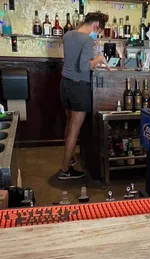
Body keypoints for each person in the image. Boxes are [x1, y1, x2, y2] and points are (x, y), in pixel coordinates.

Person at [58, 12, 110, 180]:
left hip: (65, 84)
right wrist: (99, 58)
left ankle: (70, 157)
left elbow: (72, 61)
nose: (97, 34)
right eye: (99, 31)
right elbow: (83, 67)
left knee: (69, 124)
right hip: (78, 87)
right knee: (75, 129)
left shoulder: (67, 35)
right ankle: (65, 170)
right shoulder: (87, 39)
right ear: (96, 26)